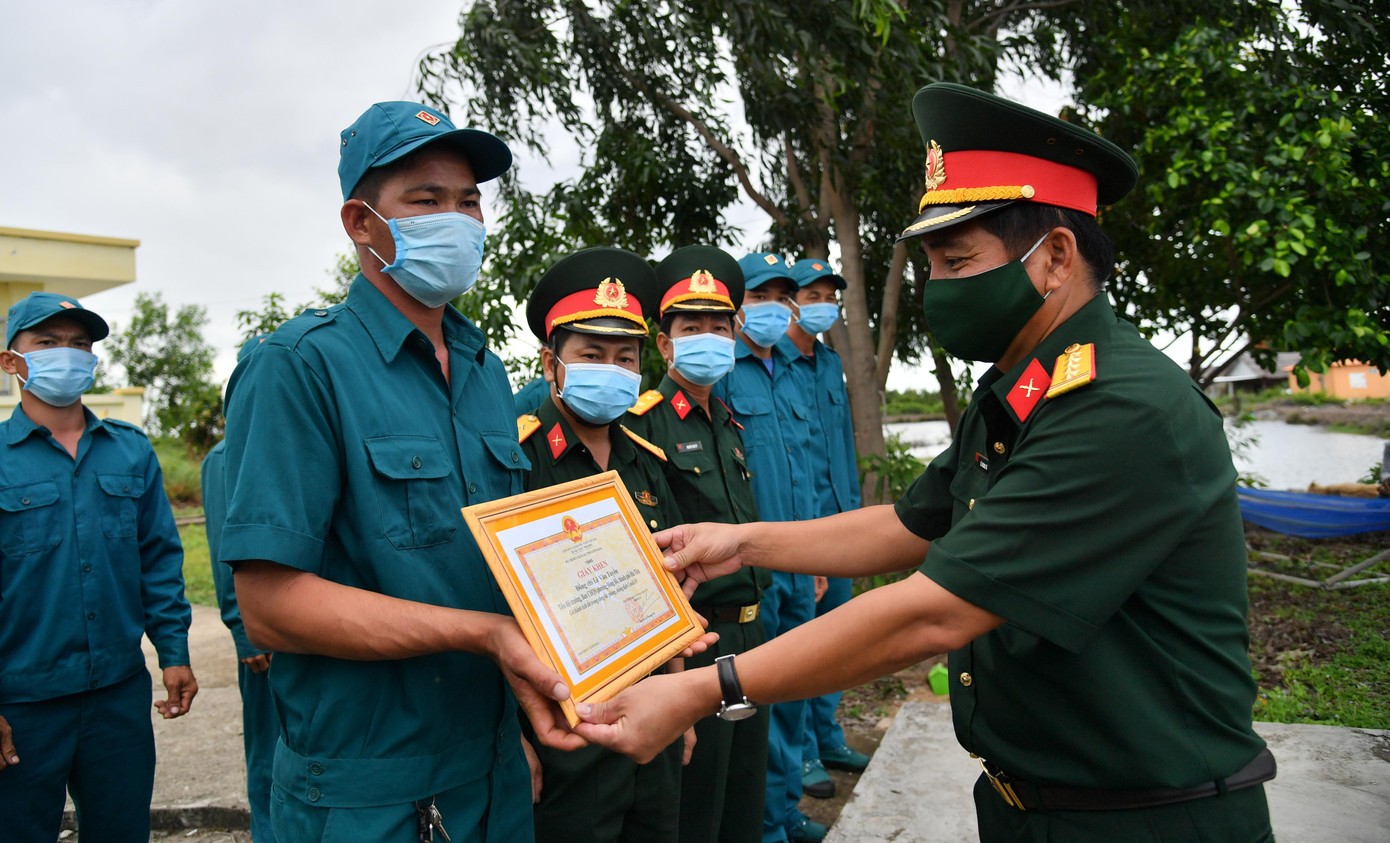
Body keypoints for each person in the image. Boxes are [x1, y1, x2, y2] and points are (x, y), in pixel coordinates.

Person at [573, 82, 1277, 843]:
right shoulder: (1019, 391)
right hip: (1036, 804)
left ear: (1056, 258)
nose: (934, 286)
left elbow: (936, 608)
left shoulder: (1119, 408)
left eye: (956, 260)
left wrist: (706, 691)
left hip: (1146, 820)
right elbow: (909, 524)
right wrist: (741, 542)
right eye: (930, 263)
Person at [217, 101, 586, 843]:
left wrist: (508, 728)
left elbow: (495, 563)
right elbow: (270, 605)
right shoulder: (298, 366)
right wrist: (485, 635)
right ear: (361, 223)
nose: (458, 219)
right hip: (366, 792)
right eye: (426, 200)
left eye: (469, 201)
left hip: (490, 770)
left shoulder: (484, 370)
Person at [0, 291, 197, 843]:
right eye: (47, 342)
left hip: (116, 696)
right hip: (22, 702)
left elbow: (157, 560)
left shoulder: (130, 451)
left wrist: (174, 653)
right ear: (12, 361)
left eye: (79, 344)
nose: (67, 354)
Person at [516, 246, 689, 842]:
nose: (611, 369)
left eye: (624, 357)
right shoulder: (517, 462)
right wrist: (513, 737)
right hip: (567, 736)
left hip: (653, 721)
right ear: (550, 362)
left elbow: (665, 586)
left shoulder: (646, 463)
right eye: (591, 355)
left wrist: (681, 697)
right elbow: (491, 607)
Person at [623, 245, 770, 843]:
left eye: (719, 325)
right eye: (691, 327)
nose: (708, 336)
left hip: (752, 636)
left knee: (742, 800)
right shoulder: (643, 421)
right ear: (664, 343)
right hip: (696, 639)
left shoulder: (730, 425)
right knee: (693, 811)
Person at [713, 252, 821, 843]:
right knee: (758, 691)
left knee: (798, 685)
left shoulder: (794, 370)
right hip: (753, 564)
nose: (773, 310)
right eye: (759, 298)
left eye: (783, 298)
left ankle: (784, 808)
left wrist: (820, 559)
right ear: (737, 311)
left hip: (802, 558)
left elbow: (804, 468)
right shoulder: (723, 370)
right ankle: (765, 823)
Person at [777, 259, 868, 800]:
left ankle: (828, 735)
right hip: (802, 531)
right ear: (790, 301)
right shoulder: (771, 366)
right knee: (802, 645)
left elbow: (840, 450)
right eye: (811, 294)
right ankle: (803, 751)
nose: (821, 305)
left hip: (843, 524)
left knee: (839, 639)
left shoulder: (828, 362)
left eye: (828, 295)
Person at [201, 334, 275, 842]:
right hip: (262, 633)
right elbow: (223, 544)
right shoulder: (228, 456)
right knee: (268, 751)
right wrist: (243, 631)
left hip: (304, 625)